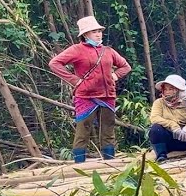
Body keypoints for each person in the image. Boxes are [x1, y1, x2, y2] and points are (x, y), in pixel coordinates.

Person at [48, 16, 132, 163]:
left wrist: (115, 75)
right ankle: (80, 166)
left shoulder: (108, 51)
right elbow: (54, 63)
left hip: (107, 96)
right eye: (94, 31)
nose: (98, 34)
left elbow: (126, 66)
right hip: (86, 96)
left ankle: (110, 163)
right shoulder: (77, 50)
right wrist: (75, 80)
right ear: (85, 35)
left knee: (108, 130)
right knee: (83, 131)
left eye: (99, 31)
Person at [148, 74, 186, 162]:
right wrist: (172, 125)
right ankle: (161, 155)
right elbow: (154, 117)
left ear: (178, 91)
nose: (167, 92)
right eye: (165, 89)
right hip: (168, 142)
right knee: (155, 129)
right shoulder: (159, 103)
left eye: (171, 89)